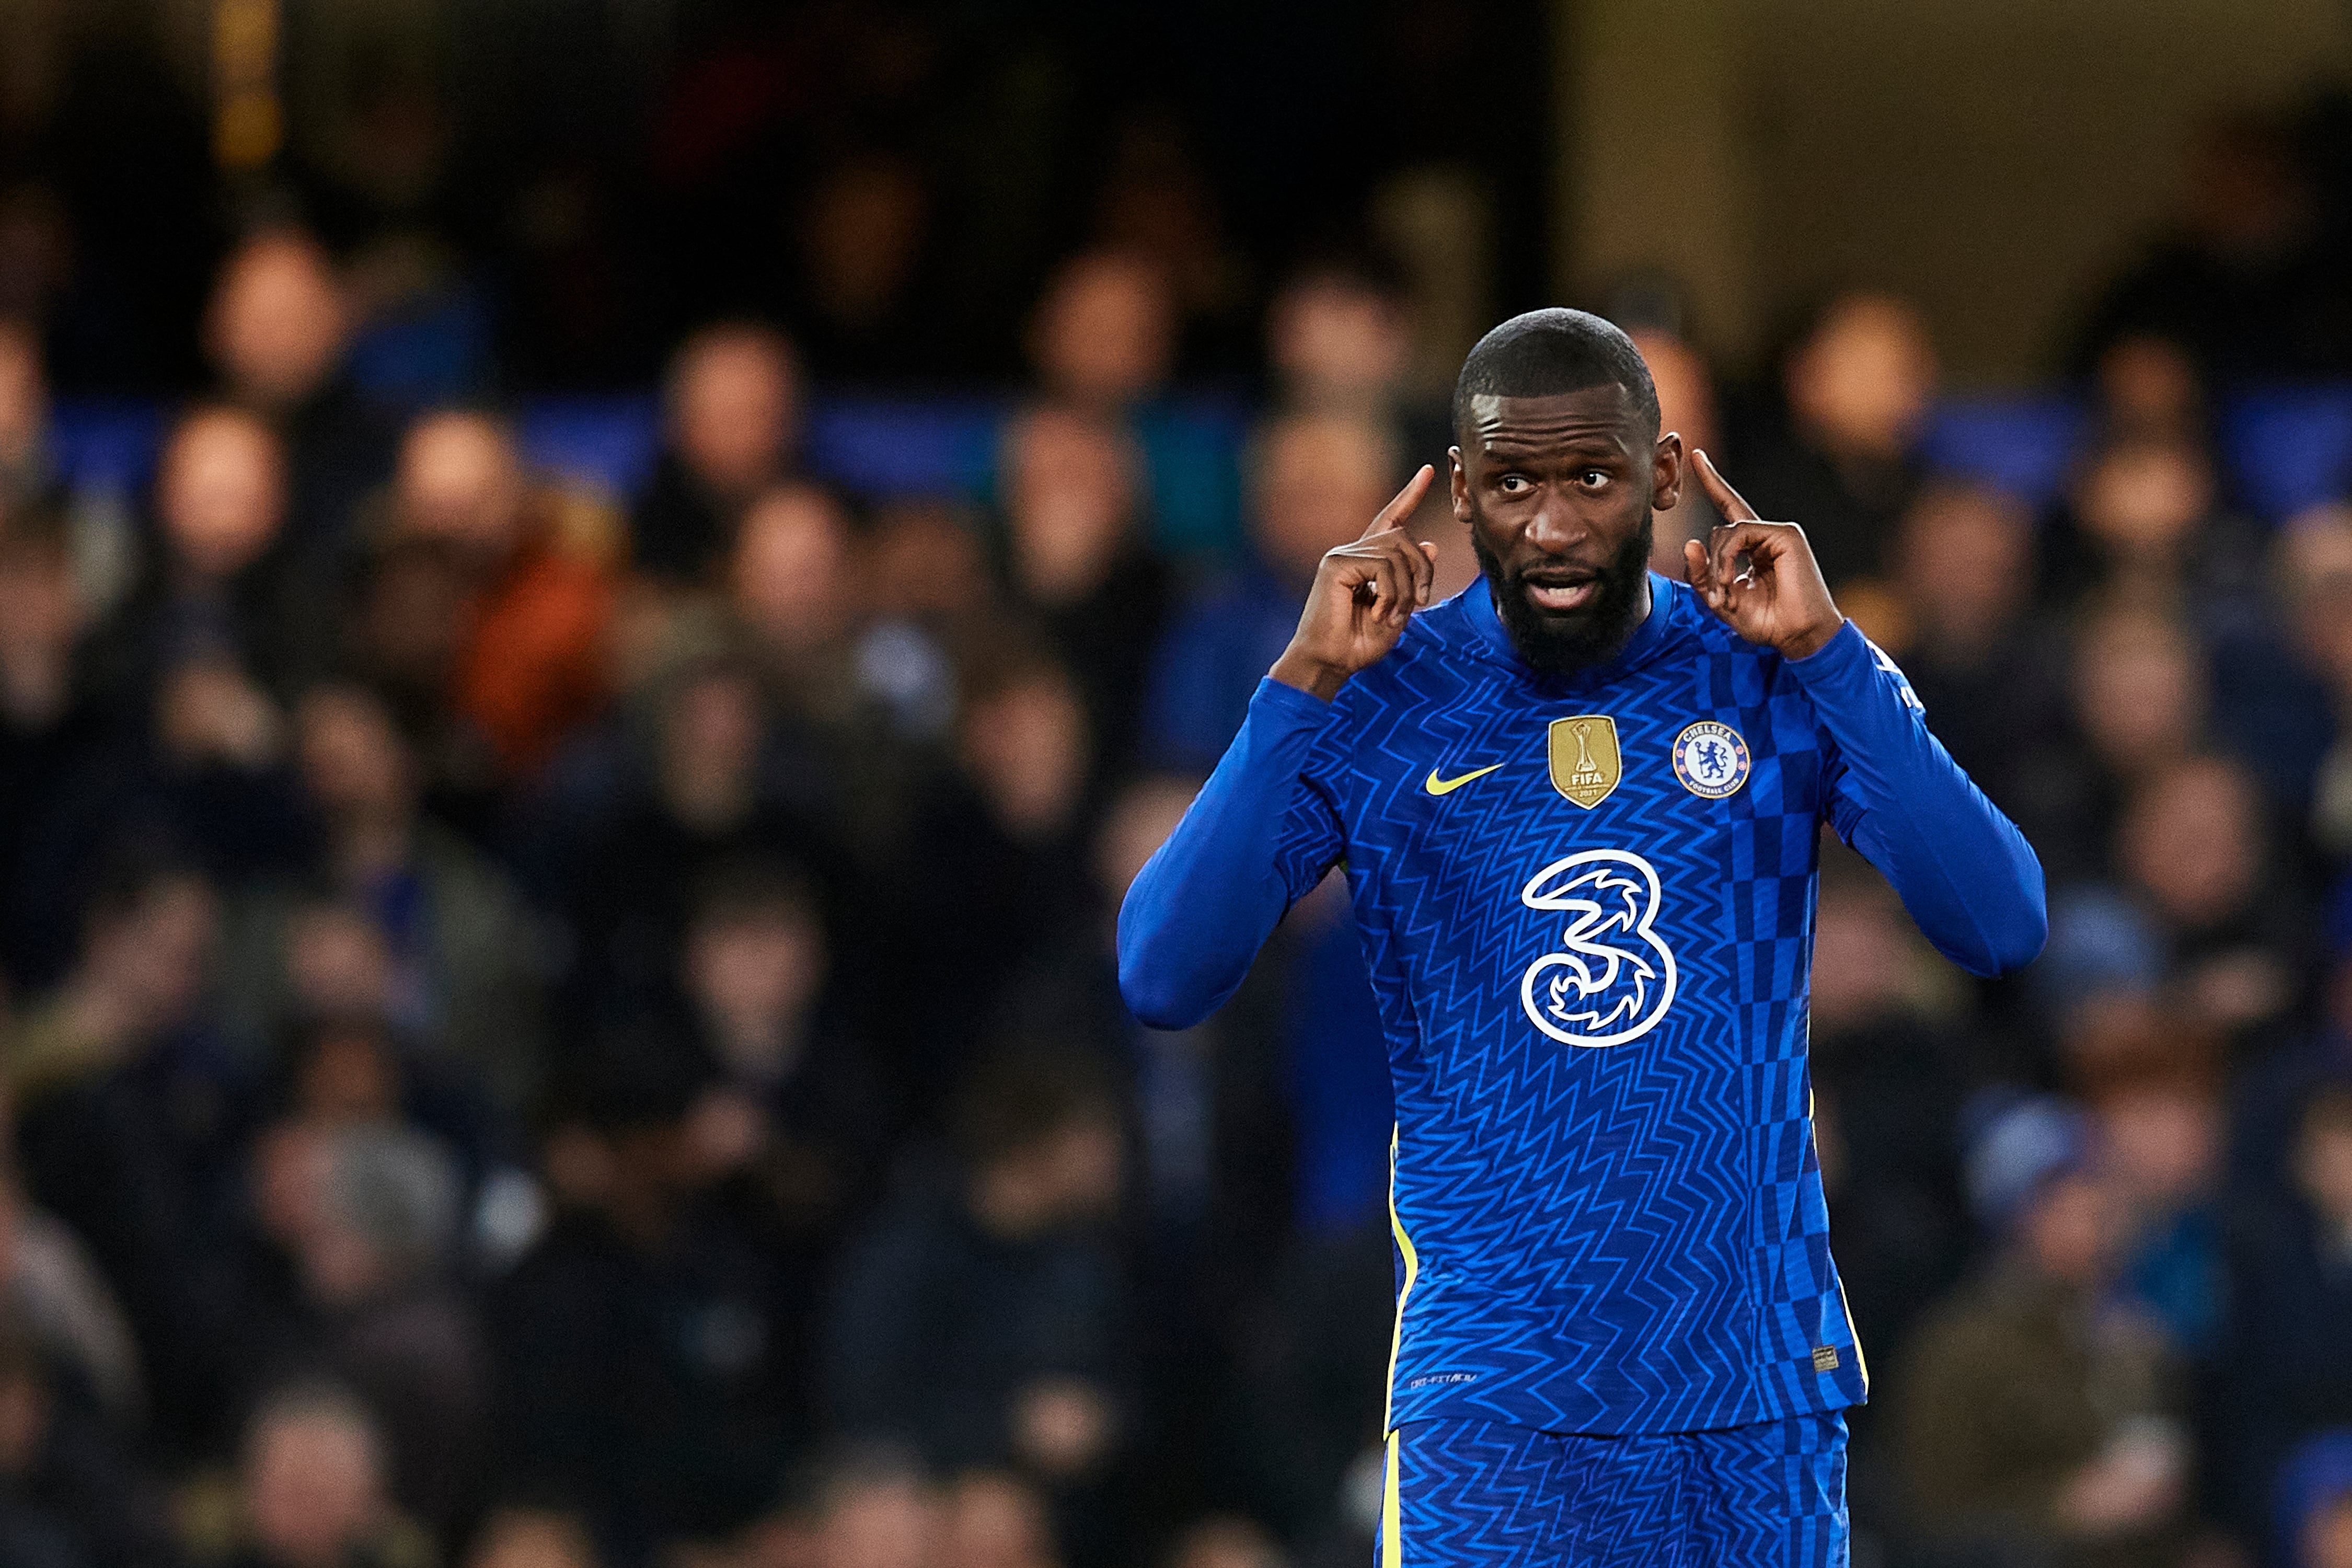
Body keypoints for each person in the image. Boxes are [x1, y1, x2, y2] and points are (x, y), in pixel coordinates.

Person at [1117, 309, 2048, 1565]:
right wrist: (1295, 690)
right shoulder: (1377, 694)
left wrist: (1833, 655)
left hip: (1755, 1386)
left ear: (1664, 476)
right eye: (1510, 484)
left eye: (1592, 478)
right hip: (1499, 1407)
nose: (1552, 527)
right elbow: (1163, 973)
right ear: (1459, 491)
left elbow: (2000, 922)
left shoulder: (1771, 666)